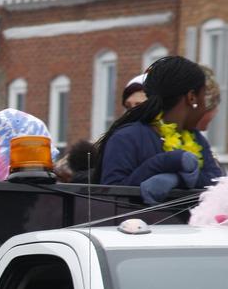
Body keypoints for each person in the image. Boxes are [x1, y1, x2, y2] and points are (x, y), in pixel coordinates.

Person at [95, 56, 224, 203]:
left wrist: (175, 179)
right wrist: (164, 162)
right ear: (192, 98)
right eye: (203, 98)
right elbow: (111, 199)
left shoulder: (197, 139)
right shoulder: (126, 138)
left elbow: (216, 184)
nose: (204, 109)